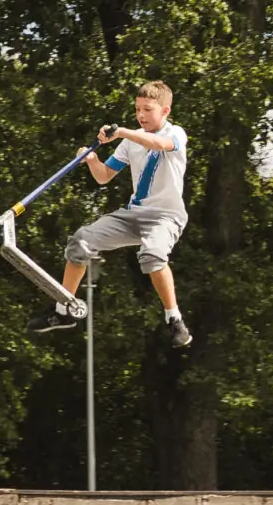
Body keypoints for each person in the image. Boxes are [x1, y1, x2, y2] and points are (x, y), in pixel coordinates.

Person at [31, 80, 191, 349]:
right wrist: (92, 160)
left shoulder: (175, 134)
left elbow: (159, 144)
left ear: (165, 111)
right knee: (80, 241)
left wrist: (125, 133)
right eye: (138, 109)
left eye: (147, 110)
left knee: (152, 255)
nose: (141, 115)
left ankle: (174, 319)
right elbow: (104, 177)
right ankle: (63, 310)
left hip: (166, 216)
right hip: (133, 214)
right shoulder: (131, 142)